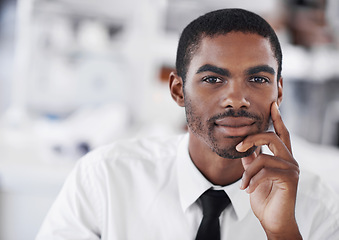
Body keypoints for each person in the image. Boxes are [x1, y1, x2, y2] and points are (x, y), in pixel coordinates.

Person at [36, 8, 339, 240]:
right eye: (212, 79)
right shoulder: (104, 180)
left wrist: (282, 232)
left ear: (279, 91)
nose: (236, 99)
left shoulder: (316, 206)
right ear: (178, 91)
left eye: (258, 79)